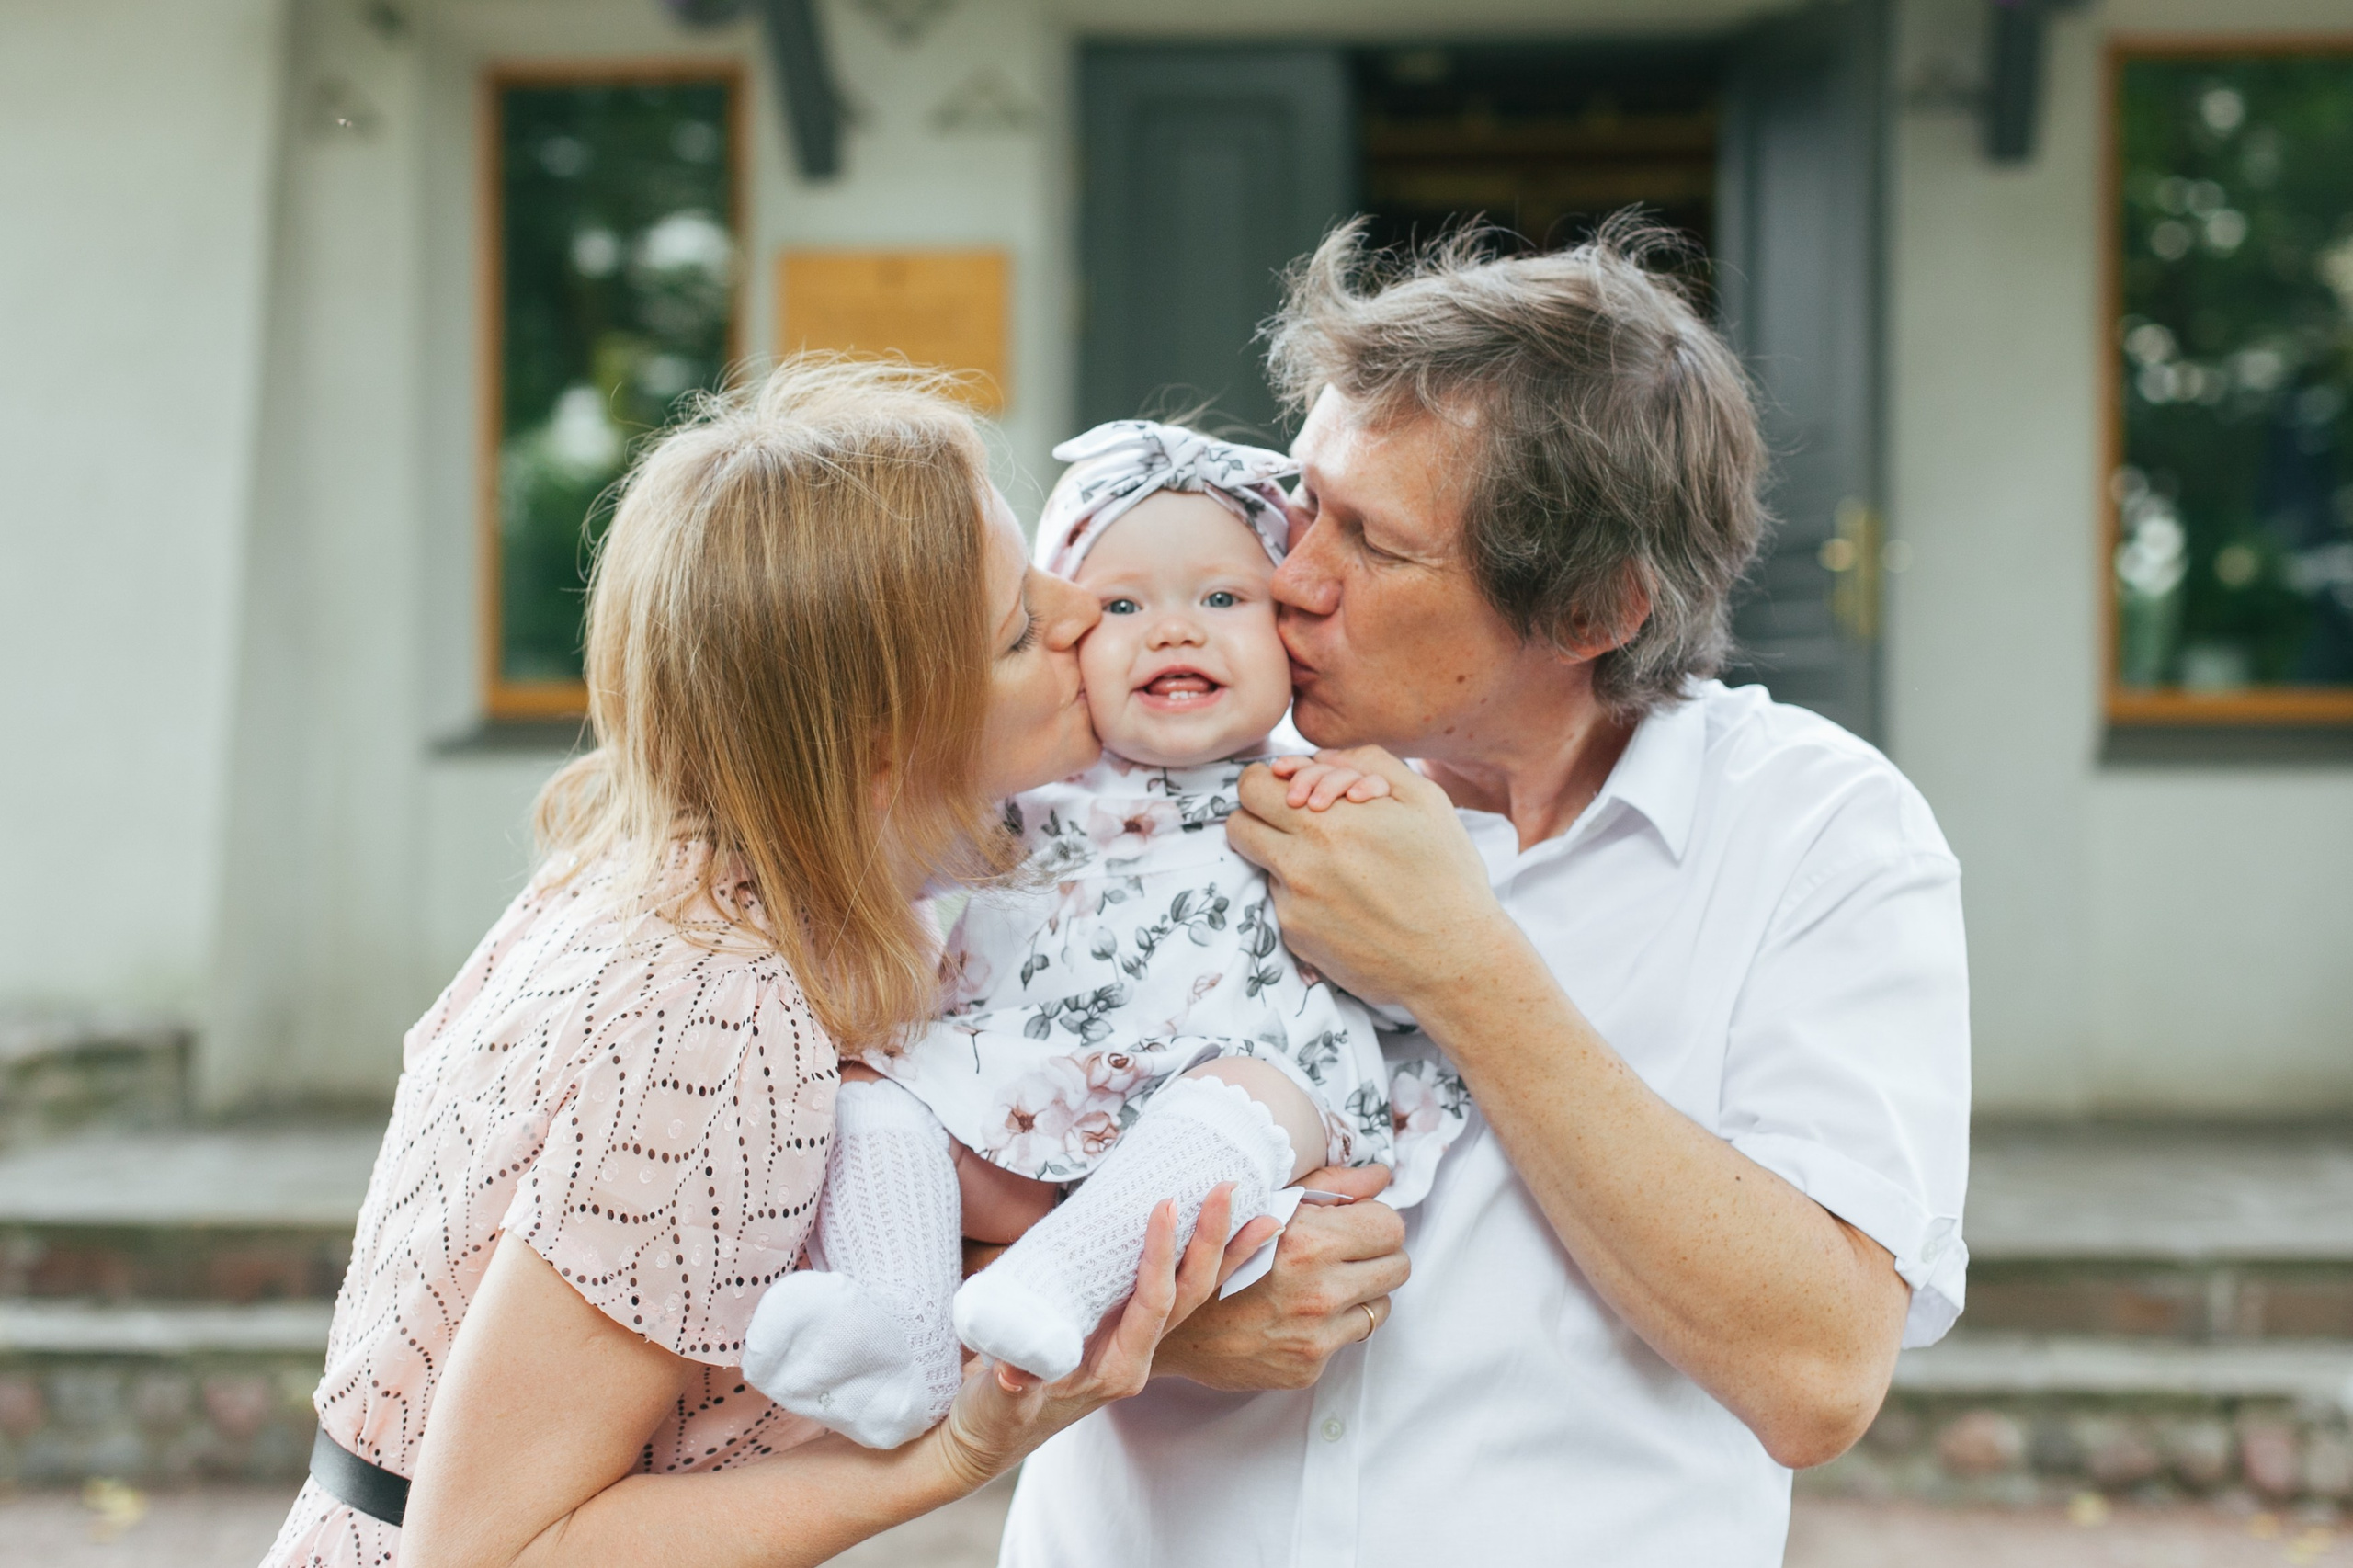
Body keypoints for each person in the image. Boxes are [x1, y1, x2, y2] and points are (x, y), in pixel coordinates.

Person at [997, 222, 1972, 1566]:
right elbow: (900, 1164)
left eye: (1373, 544)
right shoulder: (1148, 763)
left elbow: (1818, 1374)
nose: (1288, 576)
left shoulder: (1821, 835)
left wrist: (1463, 968)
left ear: (1592, 612)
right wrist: (1148, 1313)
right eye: (1303, 503)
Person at [260, 359, 1277, 1568]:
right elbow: (489, 1545)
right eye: (1018, 629)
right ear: (882, 744)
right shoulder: (726, 1003)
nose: (1079, 614)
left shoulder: (654, 860)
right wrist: (956, 1446)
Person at [740, 421, 1466, 1450]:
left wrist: (1380, 831)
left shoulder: (1325, 794)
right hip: (1033, 1119)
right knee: (877, 1087)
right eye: (1122, 604)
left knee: (1269, 1092)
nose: (1175, 631)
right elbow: (849, 849)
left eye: (1222, 598)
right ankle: (896, 1328)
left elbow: (1416, 981)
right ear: (1067, 638)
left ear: (1289, 632)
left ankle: (1057, 1283)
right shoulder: (1021, 803)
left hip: (1216, 1145)